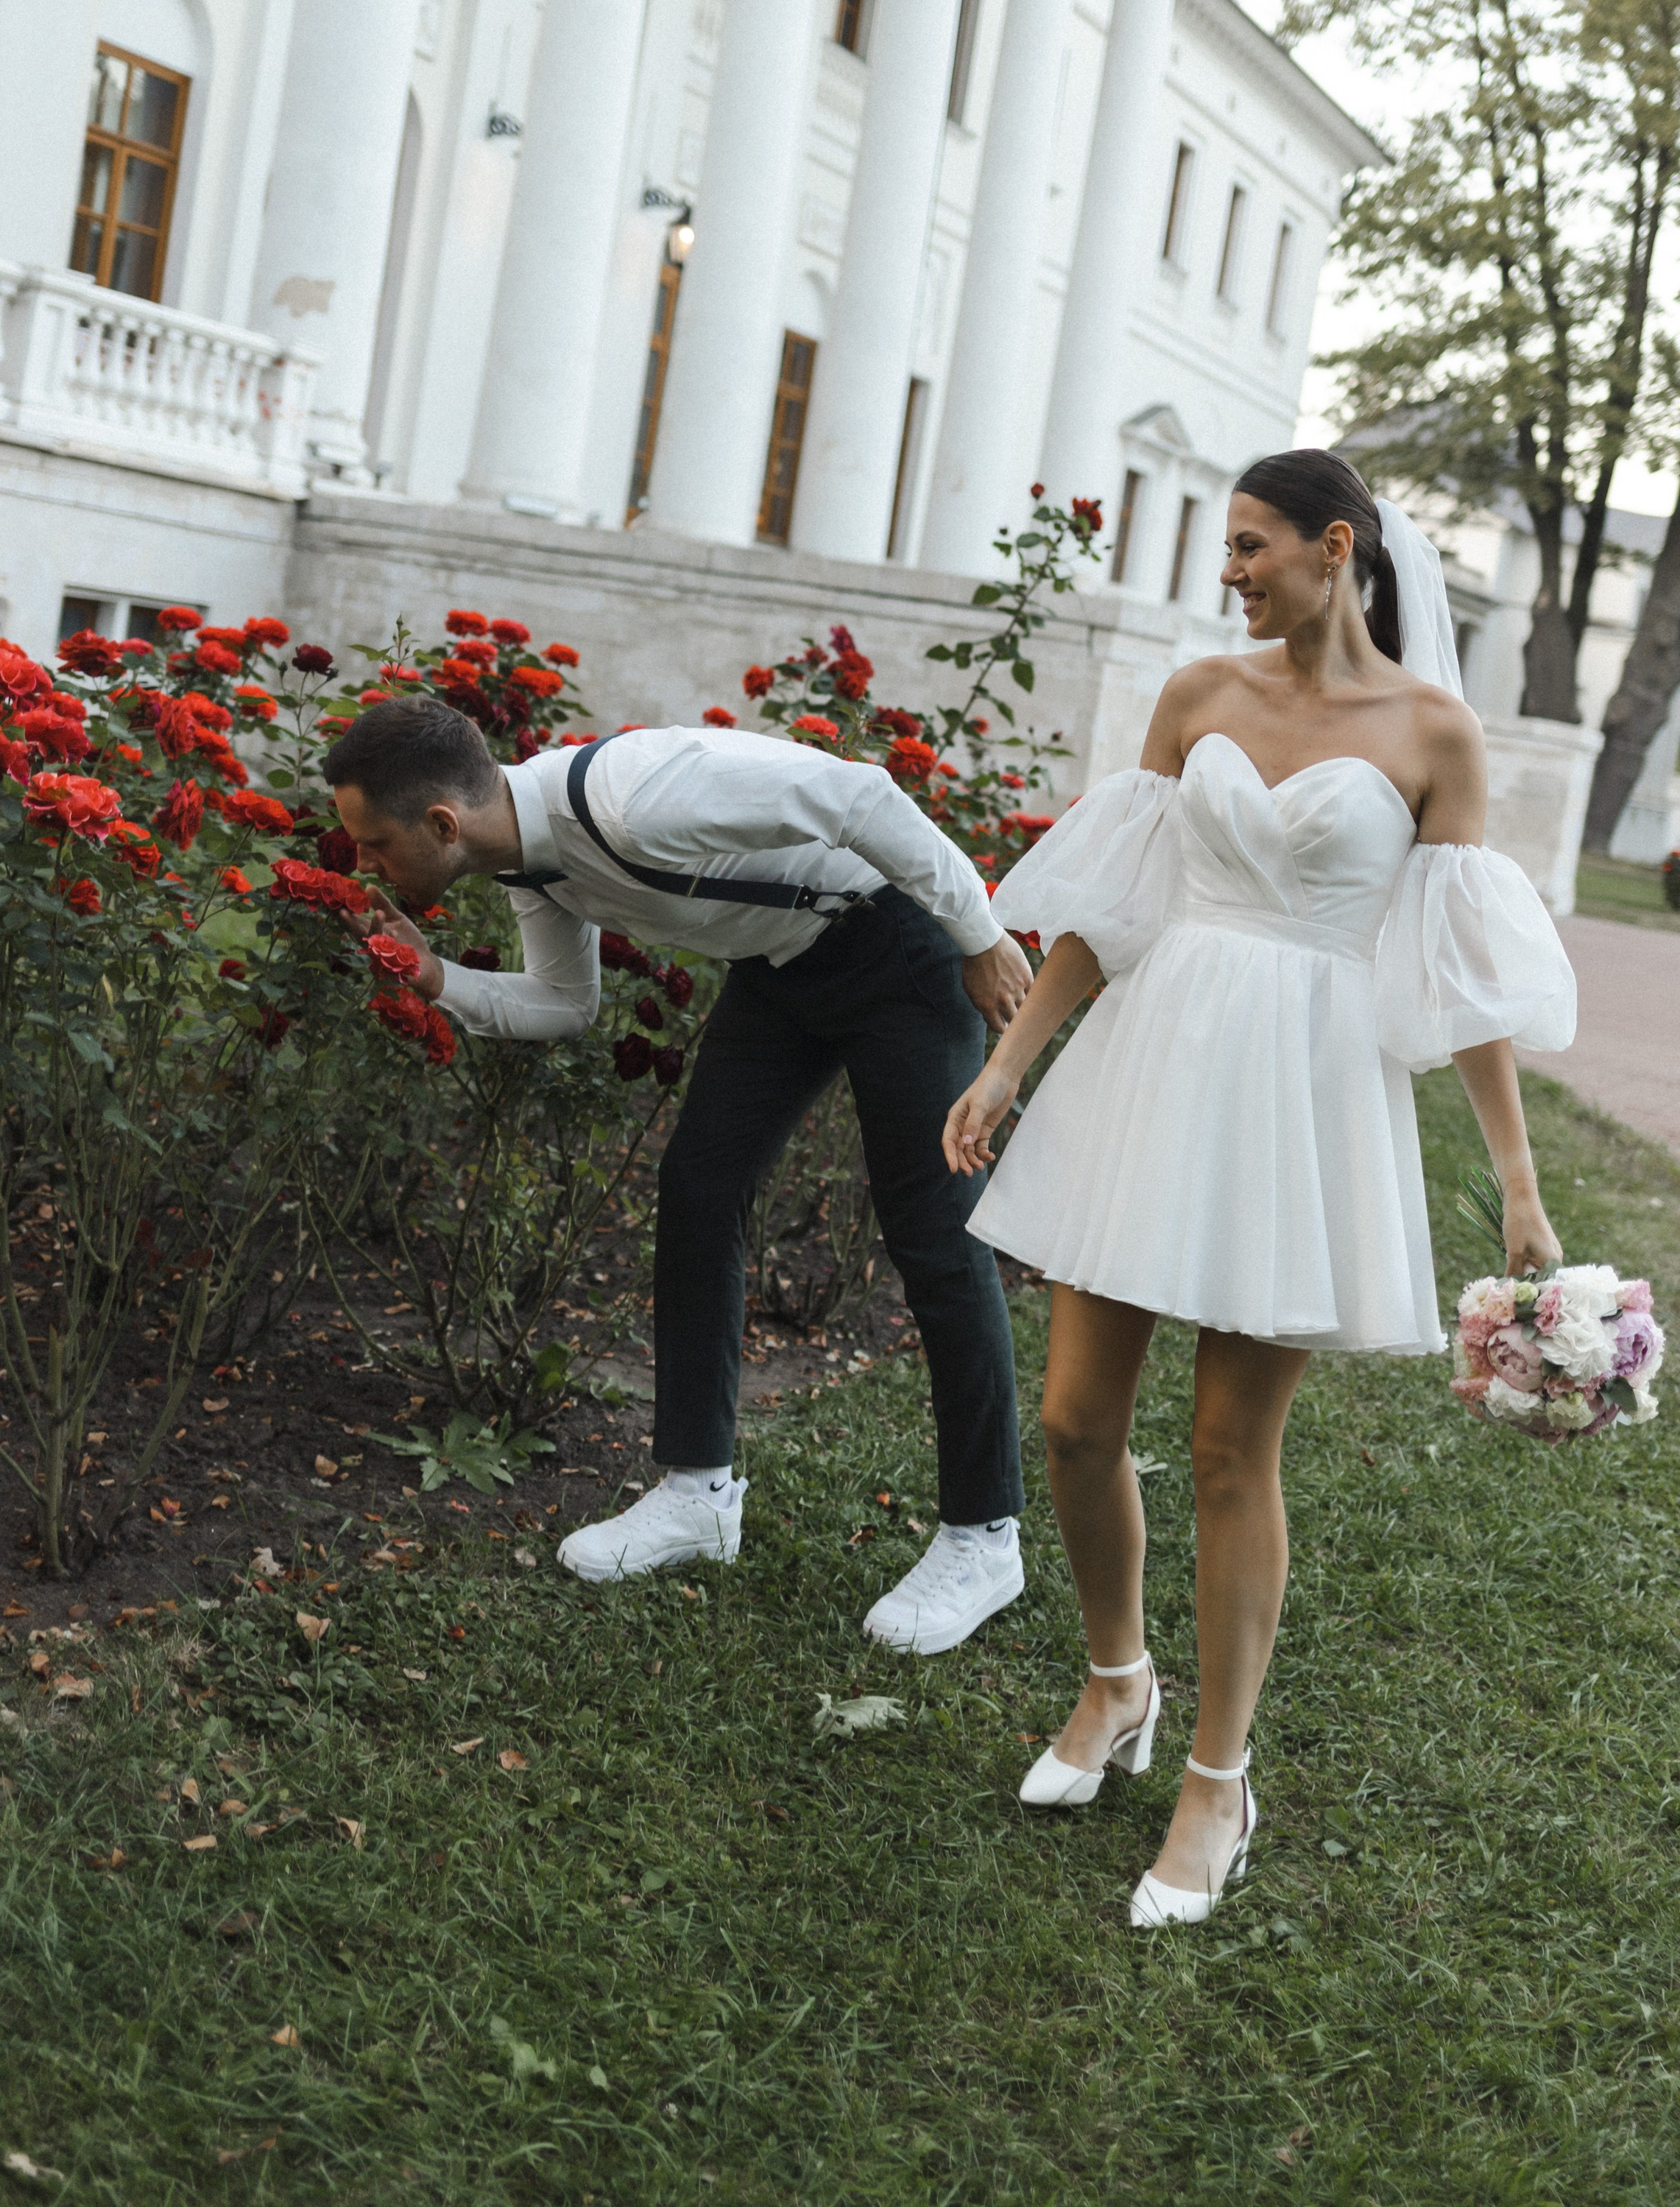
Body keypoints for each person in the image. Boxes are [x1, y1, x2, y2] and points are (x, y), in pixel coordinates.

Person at [942, 451, 1577, 1927]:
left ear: (1332, 546)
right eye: (1225, 546)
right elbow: (1115, 911)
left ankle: (1215, 1783)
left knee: (1232, 1449)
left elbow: (1460, 975)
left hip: (1303, 1094)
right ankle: (1115, 1684)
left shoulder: (1433, 733)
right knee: (1072, 1419)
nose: (1227, 569)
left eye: (1249, 544)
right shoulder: (1195, 698)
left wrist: (1518, 1186)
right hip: (1154, 1063)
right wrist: (1012, 1064)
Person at [322, 699, 1035, 1654]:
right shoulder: (531, 861)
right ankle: (699, 1493)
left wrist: (980, 933)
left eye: (373, 846)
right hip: (784, 969)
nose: (364, 867)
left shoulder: (633, 797)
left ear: (442, 825)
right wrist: (437, 979)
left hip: (899, 945)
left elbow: (861, 795)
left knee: (933, 1230)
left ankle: (985, 1536)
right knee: (699, 1187)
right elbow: (566, 1003)